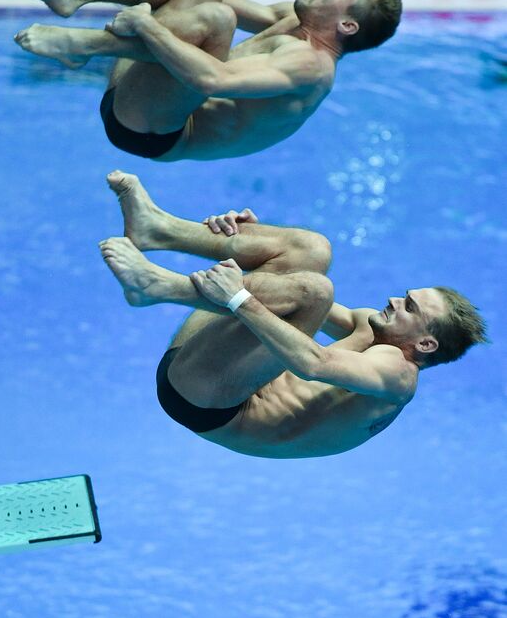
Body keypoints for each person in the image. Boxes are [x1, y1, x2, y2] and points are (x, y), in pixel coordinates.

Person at [99, 171, 487, 459]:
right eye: (405, 296)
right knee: (311, 251)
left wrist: (240, 297)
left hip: (210, 403)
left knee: (315, 291)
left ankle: (158, 287)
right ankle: (158, 229)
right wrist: (251, 248)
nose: (393, 300)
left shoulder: (396, 375)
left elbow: (312, 362)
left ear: (425, 343)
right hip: (210, 368)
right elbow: (286, 288)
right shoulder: (372, 327)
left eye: (409, 306)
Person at [7, 0, 402, 162]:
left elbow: (213, 80)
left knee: (216, 19)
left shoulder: (310, 67)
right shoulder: (290, 19)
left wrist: (146, 25)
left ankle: (86, 47)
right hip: (146, 89)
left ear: (347, 25)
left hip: (152, 129)